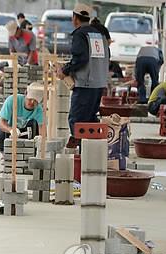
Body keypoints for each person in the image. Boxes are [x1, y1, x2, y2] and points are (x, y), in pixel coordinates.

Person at [57, 6, 109, 148]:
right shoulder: (100, 34)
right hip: (99, 83)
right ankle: (91, 153)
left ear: (75, 18)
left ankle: (79, 154)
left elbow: (81, 58)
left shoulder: (80, 35)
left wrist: (65, 70)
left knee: (77, 121)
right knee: (91, 120)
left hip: (85, 84)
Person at [0, 82, 44, 152]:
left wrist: (41, 139)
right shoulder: (12, 100)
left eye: (35, 101)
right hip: (7, 131)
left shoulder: (38, 109)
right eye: (30, 99)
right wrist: (11, 130)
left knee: (34, 124)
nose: (32, 102)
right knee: (1, 132)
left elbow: (41, 128)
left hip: (23, 131)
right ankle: (2, 154)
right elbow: (1, 123)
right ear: (25, 94)